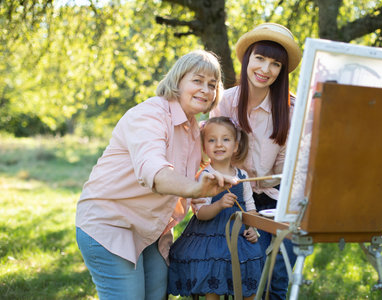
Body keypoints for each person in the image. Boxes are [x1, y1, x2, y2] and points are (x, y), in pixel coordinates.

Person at [75, 50, 237, 300]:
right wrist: (197, 188)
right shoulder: (150, 115)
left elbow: (227, 146)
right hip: (110, 224)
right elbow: (155, 172)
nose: (206, 89)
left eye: (212, 85)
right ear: (177, 81)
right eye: (197, 80)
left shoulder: (195, 129)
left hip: (151, 230)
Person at [210, 23, 302, 299]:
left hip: (279, 201)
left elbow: (288, 170)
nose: (265, 69)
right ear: (247, 58)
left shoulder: (291, 108)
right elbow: (215, 153)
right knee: (247, 280)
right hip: (236, 199)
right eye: (260, 58)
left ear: (282, 71)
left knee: (278, 278)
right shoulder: (225, 102)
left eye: (275, 64)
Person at [168, 116, 264, 300]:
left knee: (248, 275)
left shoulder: (242, 176)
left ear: (236, 146)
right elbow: (201, 213)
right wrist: (219, 205)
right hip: (211, 237)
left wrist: (253, 227)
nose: (219, 144)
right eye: (212, 140)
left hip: (238, 235)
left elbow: (250, 208)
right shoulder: (205, 176)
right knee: (213, 274)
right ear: (204, 147)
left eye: (225, 139)